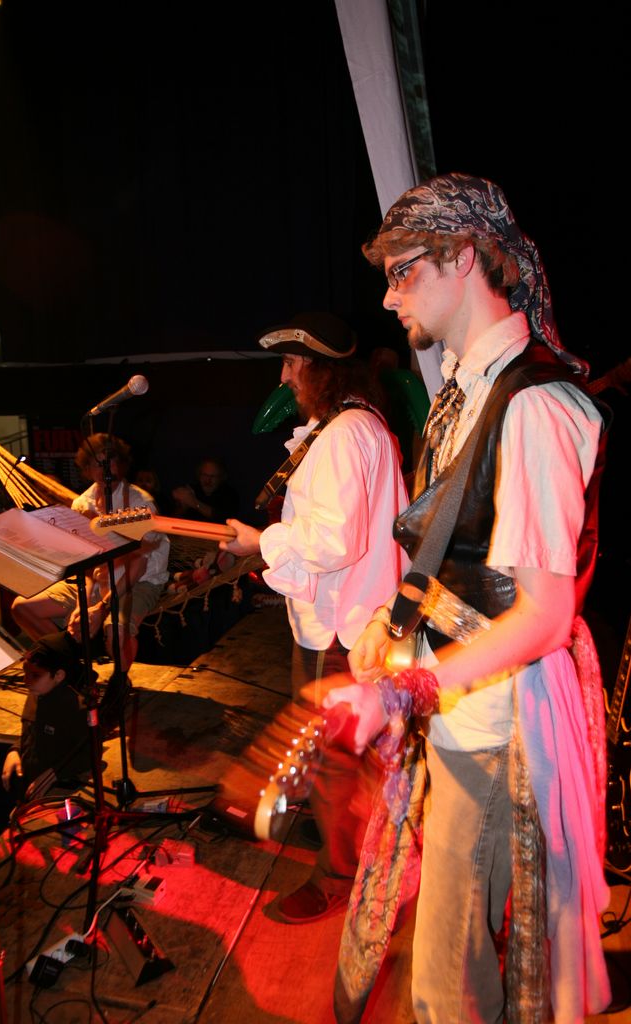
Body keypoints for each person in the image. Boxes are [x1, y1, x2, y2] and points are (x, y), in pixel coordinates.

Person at [321, 175, 612, 1023]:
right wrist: (391, 624)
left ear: (460, 257)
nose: (388, 297)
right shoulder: (466, 391)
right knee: (449, 969)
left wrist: (405, 690)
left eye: (401, 271)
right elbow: (453, 547)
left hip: (495, 725)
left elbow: (545, 616)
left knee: (446, 986)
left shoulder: (535, 406)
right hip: (457, 708)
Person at [220, 311, 409, 924]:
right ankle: (349, 845)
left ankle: (339, 876)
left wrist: (261, 542)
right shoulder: (359, 426)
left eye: (291, 364)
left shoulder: (344, 435)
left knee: (332, 763)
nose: (284, 378)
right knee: (344, 758)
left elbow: (332, 542)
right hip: (352, 618)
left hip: (342, 626)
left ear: (320, 369)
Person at [12, 434, 169, 706]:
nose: (105, 468)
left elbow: (138, 564)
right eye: (97, 463)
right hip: (96, 580)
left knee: (116, 629)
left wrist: (101, 608)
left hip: (139, 581)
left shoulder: (140, 503)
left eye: (111, 461)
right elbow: (84, 565)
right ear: (86, 468)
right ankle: (75, 671)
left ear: (121, 463)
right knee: (22, 608)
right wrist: (82, 605)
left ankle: (119, 682)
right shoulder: (81, 504)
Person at [0, 632, 91, 840]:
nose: (26, 681)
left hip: (55, 794)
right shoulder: (35, 694)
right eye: (25, 673)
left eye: (35, 675)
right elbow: (29, 733)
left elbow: (89, 752)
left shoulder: (75, 708)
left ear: (59, 675)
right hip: (28, 788)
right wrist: (14, 750)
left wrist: (55, 773)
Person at [171, 457, 240, 523]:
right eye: (204, 475)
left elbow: (224, 519)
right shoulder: (192, 490)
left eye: (212, 476)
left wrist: (194, 503)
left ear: (221, 478)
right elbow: (173, 520)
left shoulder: (230, 495)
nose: (207, 481)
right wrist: (183, 507)